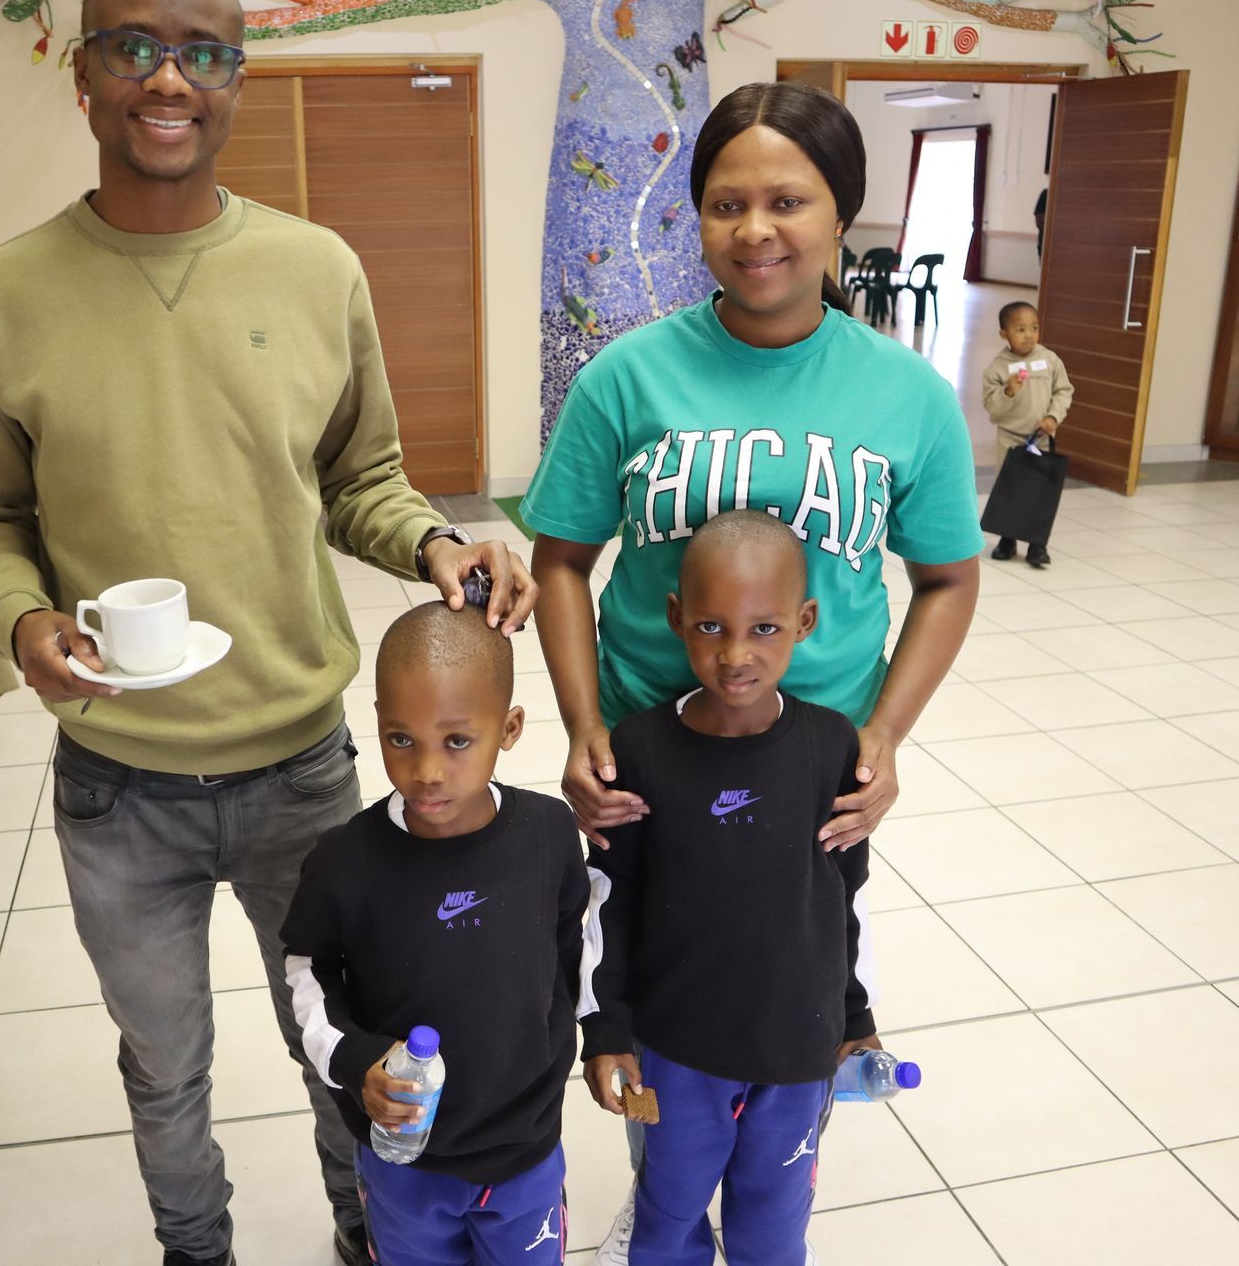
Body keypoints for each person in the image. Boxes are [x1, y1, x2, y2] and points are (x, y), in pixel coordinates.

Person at [0, 0, 537, 1261]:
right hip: (118, 785)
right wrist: (21, 615)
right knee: (163, 1065)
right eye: (136, 47)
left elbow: (361, 479)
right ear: (83, 74)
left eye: (203, 52)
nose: (169, 79)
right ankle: (193, 1247)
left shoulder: (318, 270)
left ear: (236, 81)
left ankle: (366, 1232)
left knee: (346, 1044)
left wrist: (435, 543)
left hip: (299, 770)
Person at [521, 80, 980, 1262]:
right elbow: (563, 561)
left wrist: (882, 737)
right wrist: (583, 723)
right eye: (727, 202)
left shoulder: (906, 395)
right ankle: (667, 1207)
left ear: (842, 218)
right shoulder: (626, 378)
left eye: (789, 200)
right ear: (697, 219)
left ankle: (779, 1169)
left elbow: (947, 579)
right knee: (654, 979)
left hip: (812, 774)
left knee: (793, 972)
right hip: (649, 763)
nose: (756, 229)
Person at [579, 511, 877, 1266]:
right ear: (676, 616)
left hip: (797, 1050)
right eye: (710, 625)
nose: (736, 654)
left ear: (805, 622)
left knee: (773, 1226)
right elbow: (606, 904)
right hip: (674, 1053)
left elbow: (846, 893)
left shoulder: (833, 745)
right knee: (666, 1217)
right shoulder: (639, 748)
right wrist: (606, 1031)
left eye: (766, 629)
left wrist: (855, 1014)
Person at [281, 602, 589, 1265]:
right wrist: (354, 1057)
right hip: (403, 1158)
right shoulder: (344, 861)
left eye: (456, 741)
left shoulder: (548, 833)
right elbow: (307, 971)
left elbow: (575, 950)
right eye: (401, 739)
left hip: (525, 1149)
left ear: (508, 729)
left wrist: (602, 1036)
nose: (426, 770)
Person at [980, 300, 1074, 569]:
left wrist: (1053, 417)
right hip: (1010, 438)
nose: (1029, 335)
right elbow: (991, 406)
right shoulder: (997, 368)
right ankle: (1007, 540)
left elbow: (1064, 391)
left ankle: (1037, 546)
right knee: (1010, 489)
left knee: (1038, 491)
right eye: (1020, 329)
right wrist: (1008, 391)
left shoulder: (1049, 359)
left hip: (1041, 437)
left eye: (1033, 328)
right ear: (1004, 335)